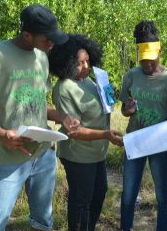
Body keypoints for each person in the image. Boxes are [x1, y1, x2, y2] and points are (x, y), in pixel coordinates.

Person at [0, 4, 80, 231]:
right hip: (9, 156)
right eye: (47, 39)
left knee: (43, 220)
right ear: (27, 34)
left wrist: (62, 116)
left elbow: (38, 103)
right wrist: (0, 134)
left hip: (43, 155)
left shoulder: (42, 57)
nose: (52, 44)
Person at [48, 34, 123, 231]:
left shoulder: (88, 80)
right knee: (81, 200)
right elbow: (75, 131)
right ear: (66, 63)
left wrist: (108, 96)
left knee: (100, 192)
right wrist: (106, 135)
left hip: (96, 151)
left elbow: (102, 107)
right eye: (79, 63)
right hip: (78, 154)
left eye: (88, 60)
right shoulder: (65, 88)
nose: (86, 67)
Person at [119, 20, 167, 231]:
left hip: (160, 144)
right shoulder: (131, 76)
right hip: (134, 141)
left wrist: (161, 130)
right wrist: (128, 110)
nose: (148, 65)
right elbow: (124, 110)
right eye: (143, 60)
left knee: (163, 194)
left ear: (159, 52)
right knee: (128, 194)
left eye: (151, 60)